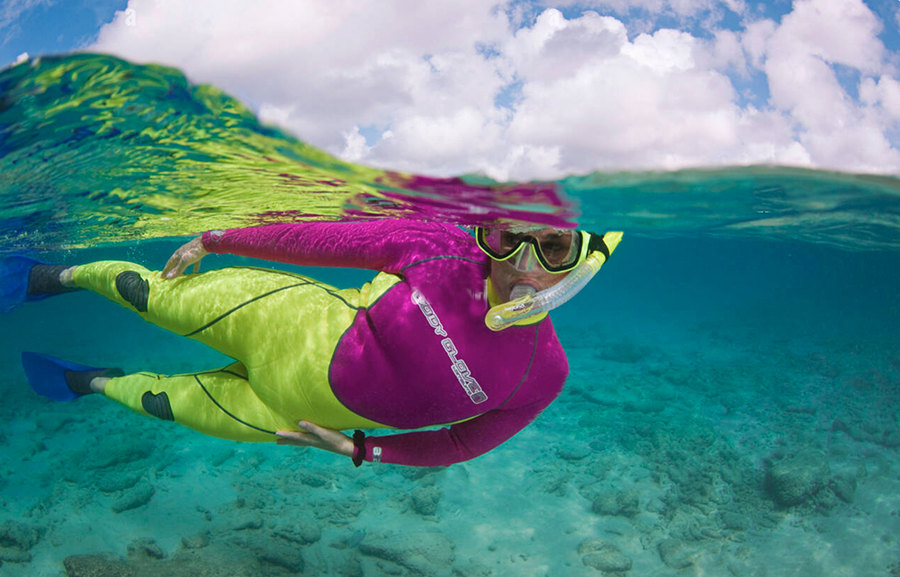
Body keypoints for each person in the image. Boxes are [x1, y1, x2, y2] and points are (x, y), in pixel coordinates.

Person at [2, 220, 621, 467]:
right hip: (279, 321)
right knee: (154, 299)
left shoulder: (542, 375)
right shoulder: (444, 249)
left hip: (287, 418)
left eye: (554, 247)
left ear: (588, 260)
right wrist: (217, 239)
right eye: (505, 236)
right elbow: (326, 241)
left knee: (159, 403)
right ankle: (49, 278)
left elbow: (462, 442)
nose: (519, 263)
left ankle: (85, 381)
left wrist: (362, 451)